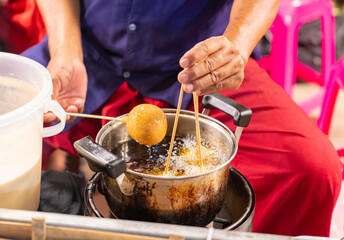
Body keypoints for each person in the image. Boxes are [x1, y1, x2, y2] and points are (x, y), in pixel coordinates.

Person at [22, 0, 342, 237]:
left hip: (204, 67)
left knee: (311, 169)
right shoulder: (73, 55)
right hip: (87, 54)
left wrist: (237, 45)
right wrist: (65, 51)